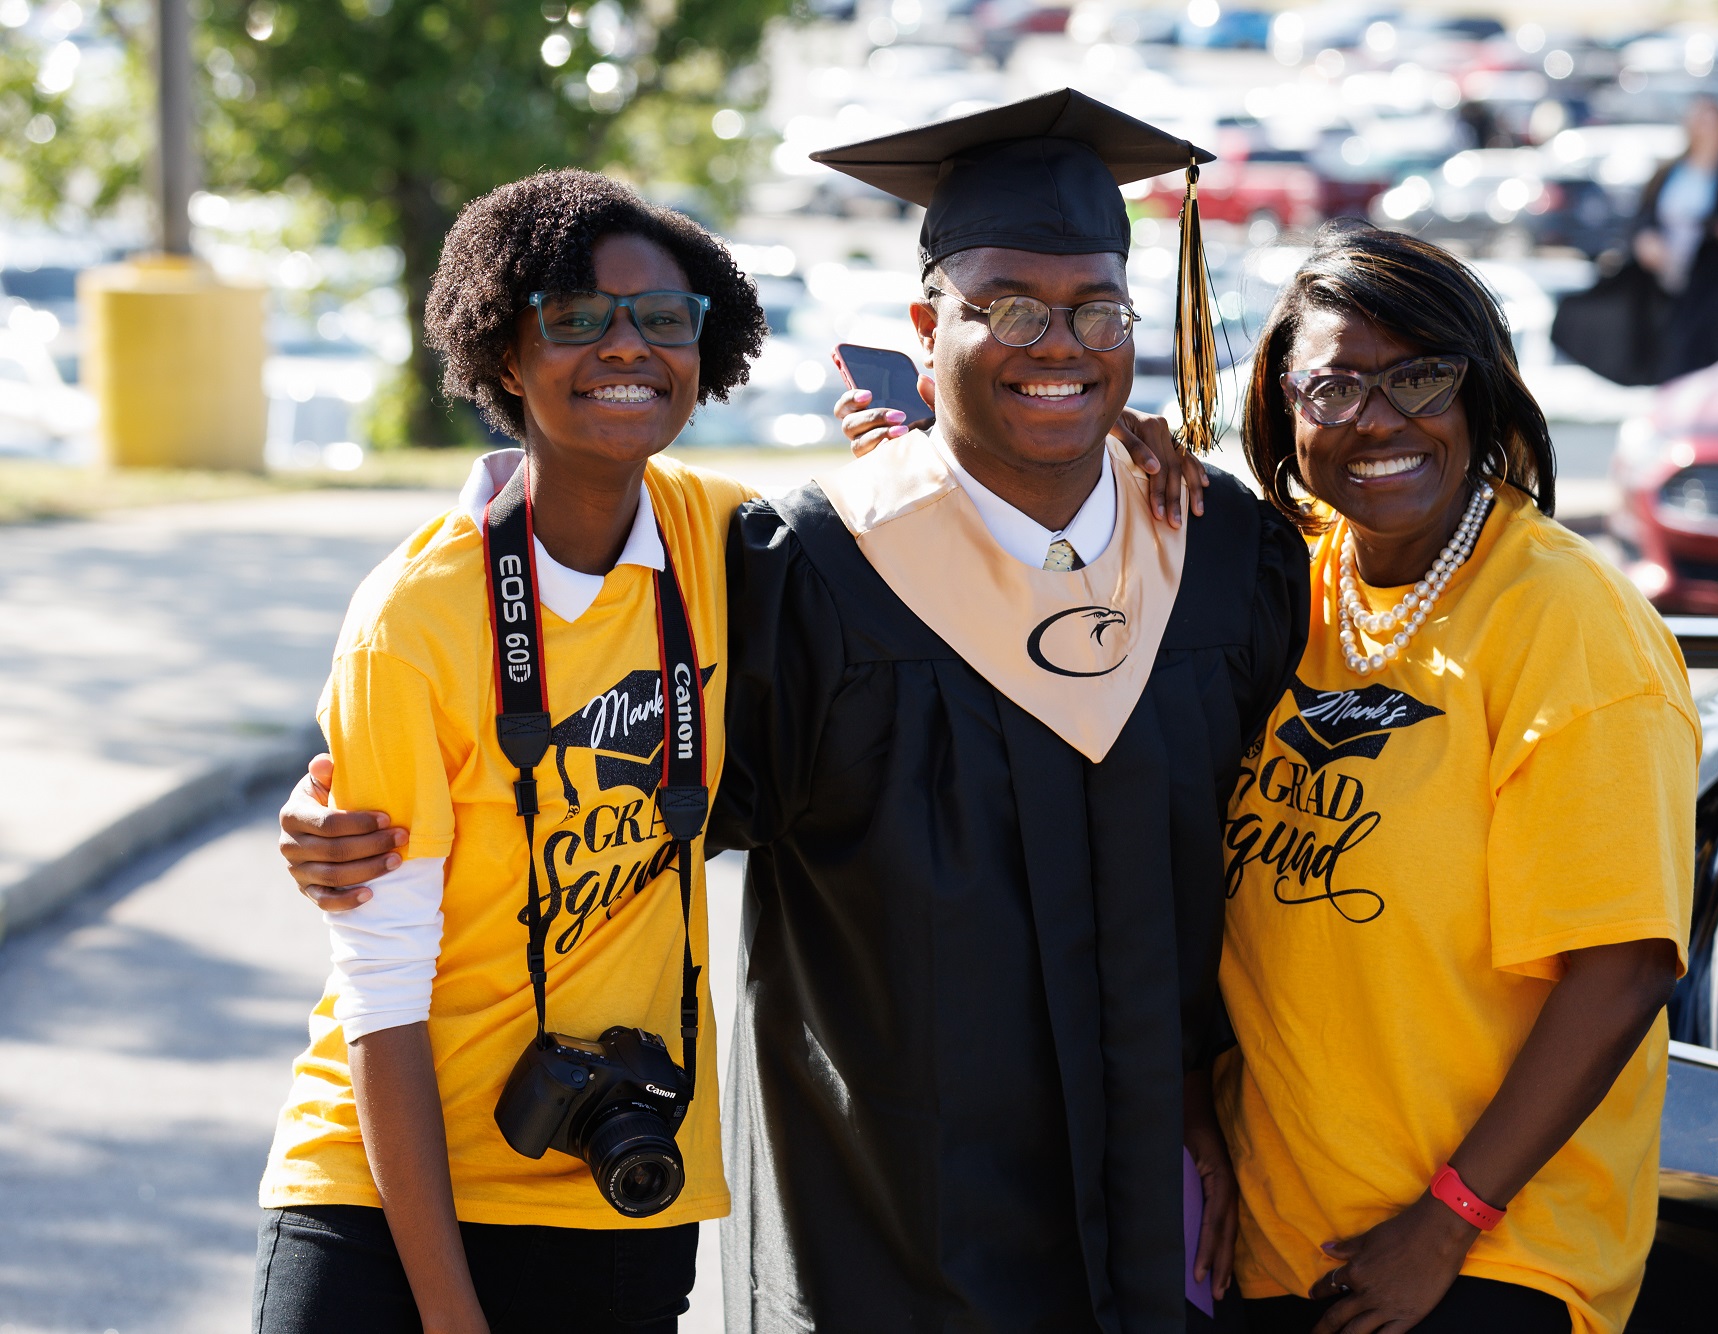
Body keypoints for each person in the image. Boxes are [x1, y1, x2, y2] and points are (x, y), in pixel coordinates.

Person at [277, 89, 1310, 1332]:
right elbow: (609, 742)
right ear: (927, 326)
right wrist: (347, 814)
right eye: (1011, 309)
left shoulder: (1225, 556)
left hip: (1162, 1198)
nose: (1061, 341)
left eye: (1097, 309)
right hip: (893, 1220)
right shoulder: (815, 571)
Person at [252, 170, 765, 1333]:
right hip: (386, 1192)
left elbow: (925, 525)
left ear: (705, 349)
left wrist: (1138, 448)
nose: (624, 345)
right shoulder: (414, 618)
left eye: (662, 317)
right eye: (575, 316)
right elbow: (380, 993)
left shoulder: (726, 538)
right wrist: (450, 1312)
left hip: (617, 1176)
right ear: (500, 355)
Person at [1212, 224, 1696, 1334]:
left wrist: (1446, 1219)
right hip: (1288, 1241)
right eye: (1331, 386)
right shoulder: (1290, 583)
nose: (1376, 419)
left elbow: (1618, 967)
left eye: (1419, 376)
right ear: (1283, 409)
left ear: (1482, 391)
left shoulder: (1563, 623)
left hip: (1482, 1261)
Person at [1631, 95, 1718, 380]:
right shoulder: (1668, 172)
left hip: (1715, 284)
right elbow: (1642, 218)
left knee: (1708, 358)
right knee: (1670, 357)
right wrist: (1645, 240)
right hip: (1666, 282)